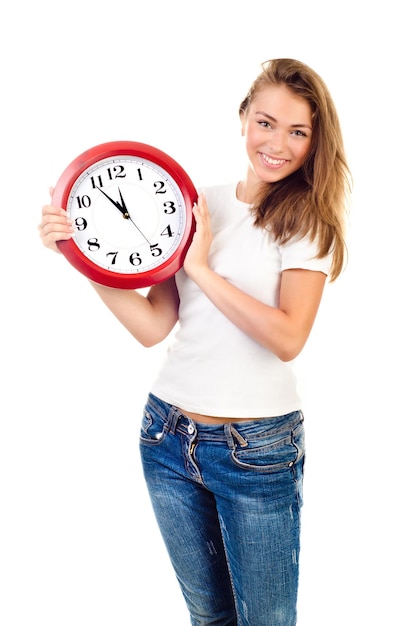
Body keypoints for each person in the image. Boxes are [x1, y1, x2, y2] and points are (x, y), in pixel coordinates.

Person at [38, 58, 350, 626]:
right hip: (166, 437)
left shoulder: (307, 222)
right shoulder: (192, 203)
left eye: (297, 131)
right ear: (242, 120)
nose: (277, 143)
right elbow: (155, 326)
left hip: (256, 450)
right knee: (209, 617)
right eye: (266, 122)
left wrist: (202, 269)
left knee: (267, 621)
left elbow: (288, 337)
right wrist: (80, 257)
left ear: (314, 142)